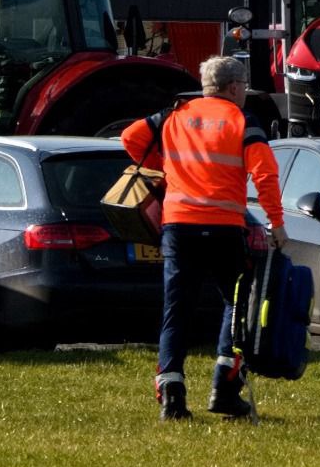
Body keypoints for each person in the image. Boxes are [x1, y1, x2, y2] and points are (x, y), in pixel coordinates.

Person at [122, 55, 287, 422]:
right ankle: (225, 388)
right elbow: (264, 174)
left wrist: (165, 170)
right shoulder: (242, 121)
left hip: (179, 225)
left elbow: (130, 138)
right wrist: (277, 223)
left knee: (176, 311)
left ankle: (172, 398)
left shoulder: (174, 115)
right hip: (225, 226)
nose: (244, 92)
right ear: (233, 87)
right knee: (237, 304)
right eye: (244, 85)